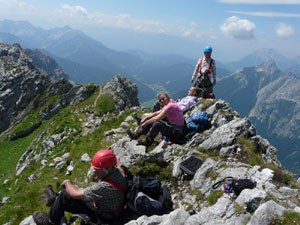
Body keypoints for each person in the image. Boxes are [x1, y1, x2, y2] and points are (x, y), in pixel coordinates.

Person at [32, 149, 128, 225]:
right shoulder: (120, 171)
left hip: (103, 217)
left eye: (97, 170)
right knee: (70, 193)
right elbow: (119, 164)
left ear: (107, 168)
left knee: (66, 194)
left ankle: (51, 221)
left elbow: (75, 194)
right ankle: (55, 200)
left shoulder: (104, 187)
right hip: (112, 209)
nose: (95, 172)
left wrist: (67, 182)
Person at [127, 87, 200, 142]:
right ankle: (137, 134)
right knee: (153, 120)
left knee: (157, 123)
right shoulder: (171, 104)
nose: (162, 101)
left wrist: (145, 122)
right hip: (175, 128)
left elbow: (157, 118)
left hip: (177, 134)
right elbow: (156, 113)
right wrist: (145, 118)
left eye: (163, 99)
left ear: (168, 97)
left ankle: (148, 141)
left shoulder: (171, 105)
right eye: (160, 100)